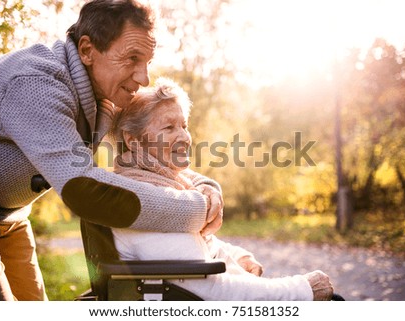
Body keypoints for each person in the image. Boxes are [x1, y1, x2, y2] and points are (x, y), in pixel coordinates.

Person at [0, 0, 223, 301]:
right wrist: (196, 209)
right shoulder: (36, 84)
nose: (144, 78)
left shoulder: (103, 91)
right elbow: (85, 191)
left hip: (8, 216)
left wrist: (204, 186)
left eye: (147, 62)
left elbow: (149, 150)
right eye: (131, 58)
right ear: (87, 50)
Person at [110, 77, 334, 300]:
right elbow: (213, 292)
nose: (184, 137)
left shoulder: (160, 185)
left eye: (184, 126)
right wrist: (303, 289)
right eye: (169, 127)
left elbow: (189, 248)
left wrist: (235, 257)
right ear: (133, 141)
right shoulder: (143, 198)